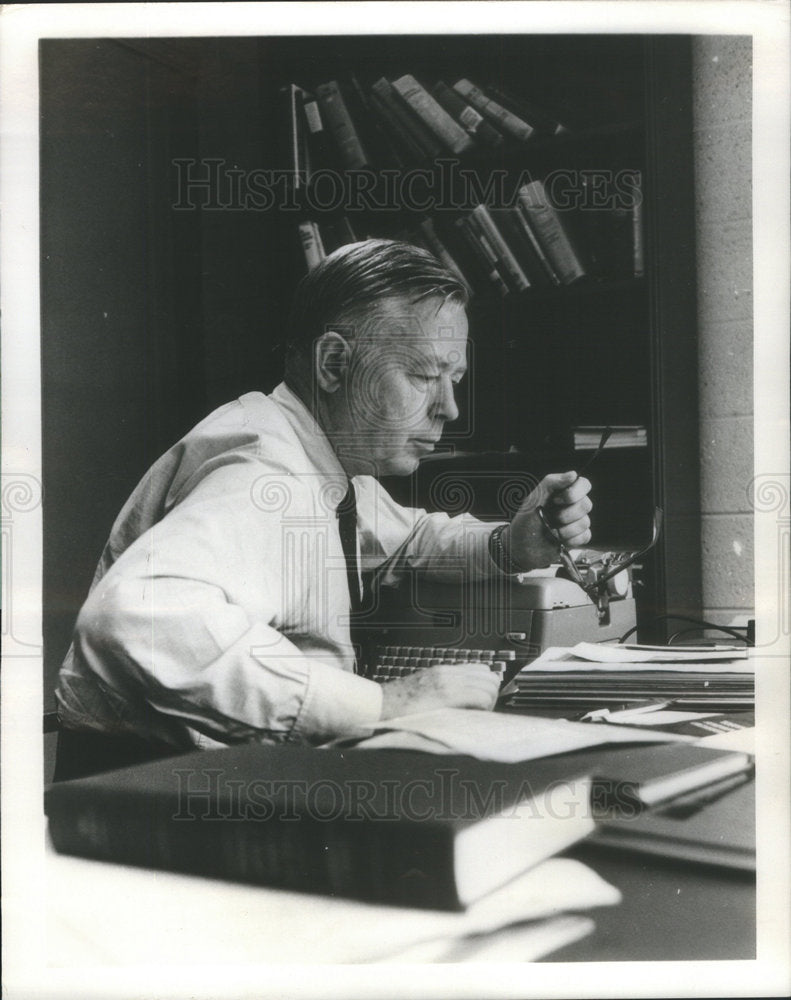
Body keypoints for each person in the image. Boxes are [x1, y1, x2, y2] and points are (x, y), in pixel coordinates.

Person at [54, 240, 592, 771]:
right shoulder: (264, 478)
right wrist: (384, 706)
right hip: (153, 786)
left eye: (454, 379)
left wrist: (509, 544)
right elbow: (134, 617)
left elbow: (408, 537)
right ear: (334, 364)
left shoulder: (322, 461)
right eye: (423, 376)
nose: (448, 408)